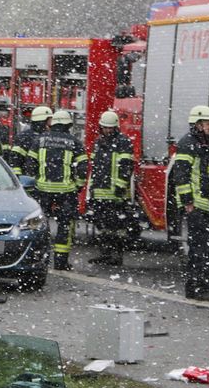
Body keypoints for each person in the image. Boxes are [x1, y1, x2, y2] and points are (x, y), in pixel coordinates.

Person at [171, 105, 209, 299]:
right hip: (195, 204)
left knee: (203, 247)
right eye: (208, 123)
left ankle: (200, 286)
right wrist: (187, 201)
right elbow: (181, 173)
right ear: (198, 124)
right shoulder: (188, 143)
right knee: (199, 248)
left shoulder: (207, 144)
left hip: (204, 203)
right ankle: (197, 287)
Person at [26, 109, 88, 270]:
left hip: (42, 190)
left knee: (39, 225)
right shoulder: (74, 142)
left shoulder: (39, 140)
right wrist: (78, 185)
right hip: (66, 192)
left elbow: (30, 164)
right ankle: (60, 262)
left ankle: (39, 258)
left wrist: (36, 181)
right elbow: (83, 167)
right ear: (68, 124)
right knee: (65, 226)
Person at [86, 110, 138, 266]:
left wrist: (120, 186)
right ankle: (105, 254)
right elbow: (95, 168)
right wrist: (93, 189)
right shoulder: (98, 142)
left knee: (117, 226)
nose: (107, 130)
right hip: (100, 192)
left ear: (116, 127)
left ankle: (117, 255)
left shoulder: (123, 142)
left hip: (116, 193)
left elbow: (126, 167)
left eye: (110, 128)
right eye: (105, 128)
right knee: (102, 226)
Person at [7, 105, 52, 176]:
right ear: (42, 121)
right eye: (49, 120)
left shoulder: (47, 136)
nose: (51, 123)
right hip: (29, 179)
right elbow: (15, 159)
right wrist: (20, 177)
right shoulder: (25, 137)